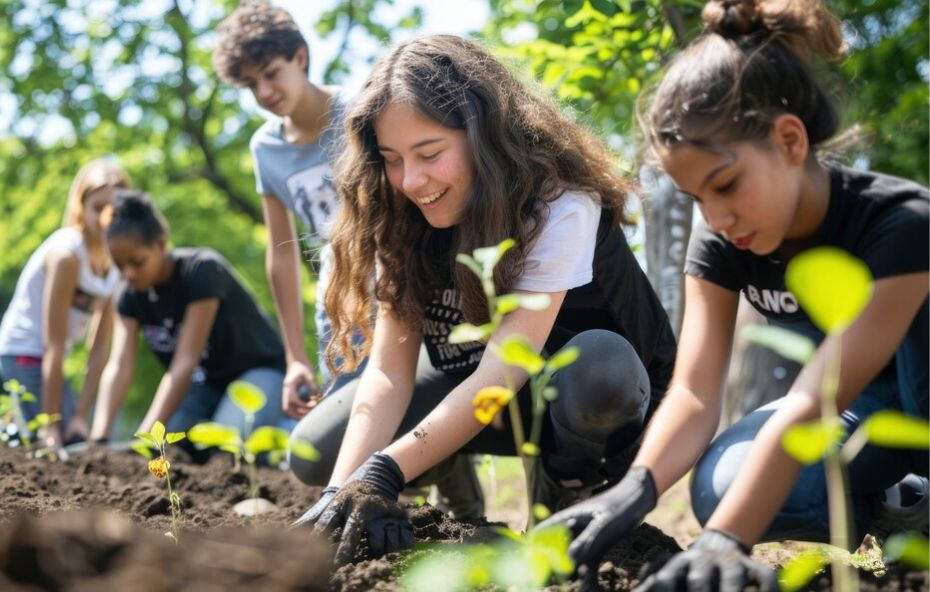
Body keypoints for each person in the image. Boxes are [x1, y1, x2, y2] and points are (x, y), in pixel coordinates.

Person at [539, 1, 929, 589]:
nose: (715, 218)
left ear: (790, 141)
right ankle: (905, 509)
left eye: (725, 185)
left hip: (895, 397)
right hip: (857, 413)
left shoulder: (901, 223)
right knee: (720, 487)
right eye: (697, 197)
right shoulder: (724, 242)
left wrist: (726, 539)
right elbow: (696, 392)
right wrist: (631, 491)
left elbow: (813, 398)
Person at [288, 34, 677, 561]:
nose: (412, 180)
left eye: (430, 154)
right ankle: (445, 480)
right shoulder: (394, 211)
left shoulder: (558, 201)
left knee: (600, 369)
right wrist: (345, 489)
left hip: (591, 396)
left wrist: (387, 468)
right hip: (469, 376)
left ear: (484, 136)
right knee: (313, 450)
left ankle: (568, 485)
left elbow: (504, 372)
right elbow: (388, 373)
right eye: (392, 159)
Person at [212, 1, 360, 416]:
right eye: (250, 84)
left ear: (300, 56)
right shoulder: (266, 148)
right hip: (336, 296)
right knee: (339, 429)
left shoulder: (358, 110)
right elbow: (281, 251)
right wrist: (295, 356)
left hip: (394, 277)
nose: (264, 93)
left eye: (271, 73)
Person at [88, 190, 287, 450]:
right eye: (119, 265)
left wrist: (144, 440)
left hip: (260, 372)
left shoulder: (201, 271)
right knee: (174, 448)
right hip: (205, 385)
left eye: (137, 262)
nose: (128, 273)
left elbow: (184, 363)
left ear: (161, 243)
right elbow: (120, 365)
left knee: (224, 448)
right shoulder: (129, 296)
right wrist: (99, 439)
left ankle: (287, 429)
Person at [0, 158, 129, 451]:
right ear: (81, 207)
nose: (106, 218)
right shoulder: (67, 255)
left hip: (52, 360)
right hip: (24, 352)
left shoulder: (115, 263)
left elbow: (99, 347)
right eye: (98, 208)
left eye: (115, 210)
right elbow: (52, 346)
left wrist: (82, 415)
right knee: (47, 444)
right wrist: (51, 425)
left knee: (76, 437)